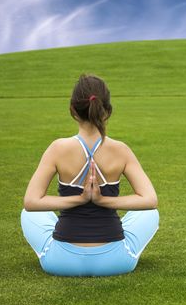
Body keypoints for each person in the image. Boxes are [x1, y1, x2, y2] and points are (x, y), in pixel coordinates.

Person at [20, 73, 159, 277]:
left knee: (28, 214)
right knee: (149, 213)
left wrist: (79, 199)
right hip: (115, 261)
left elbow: (31, 202)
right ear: (108, 111)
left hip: (61, 262)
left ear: (73, 110)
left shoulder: (58, 148)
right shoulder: (120, 150)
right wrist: (104, 201)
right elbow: (150, 200)